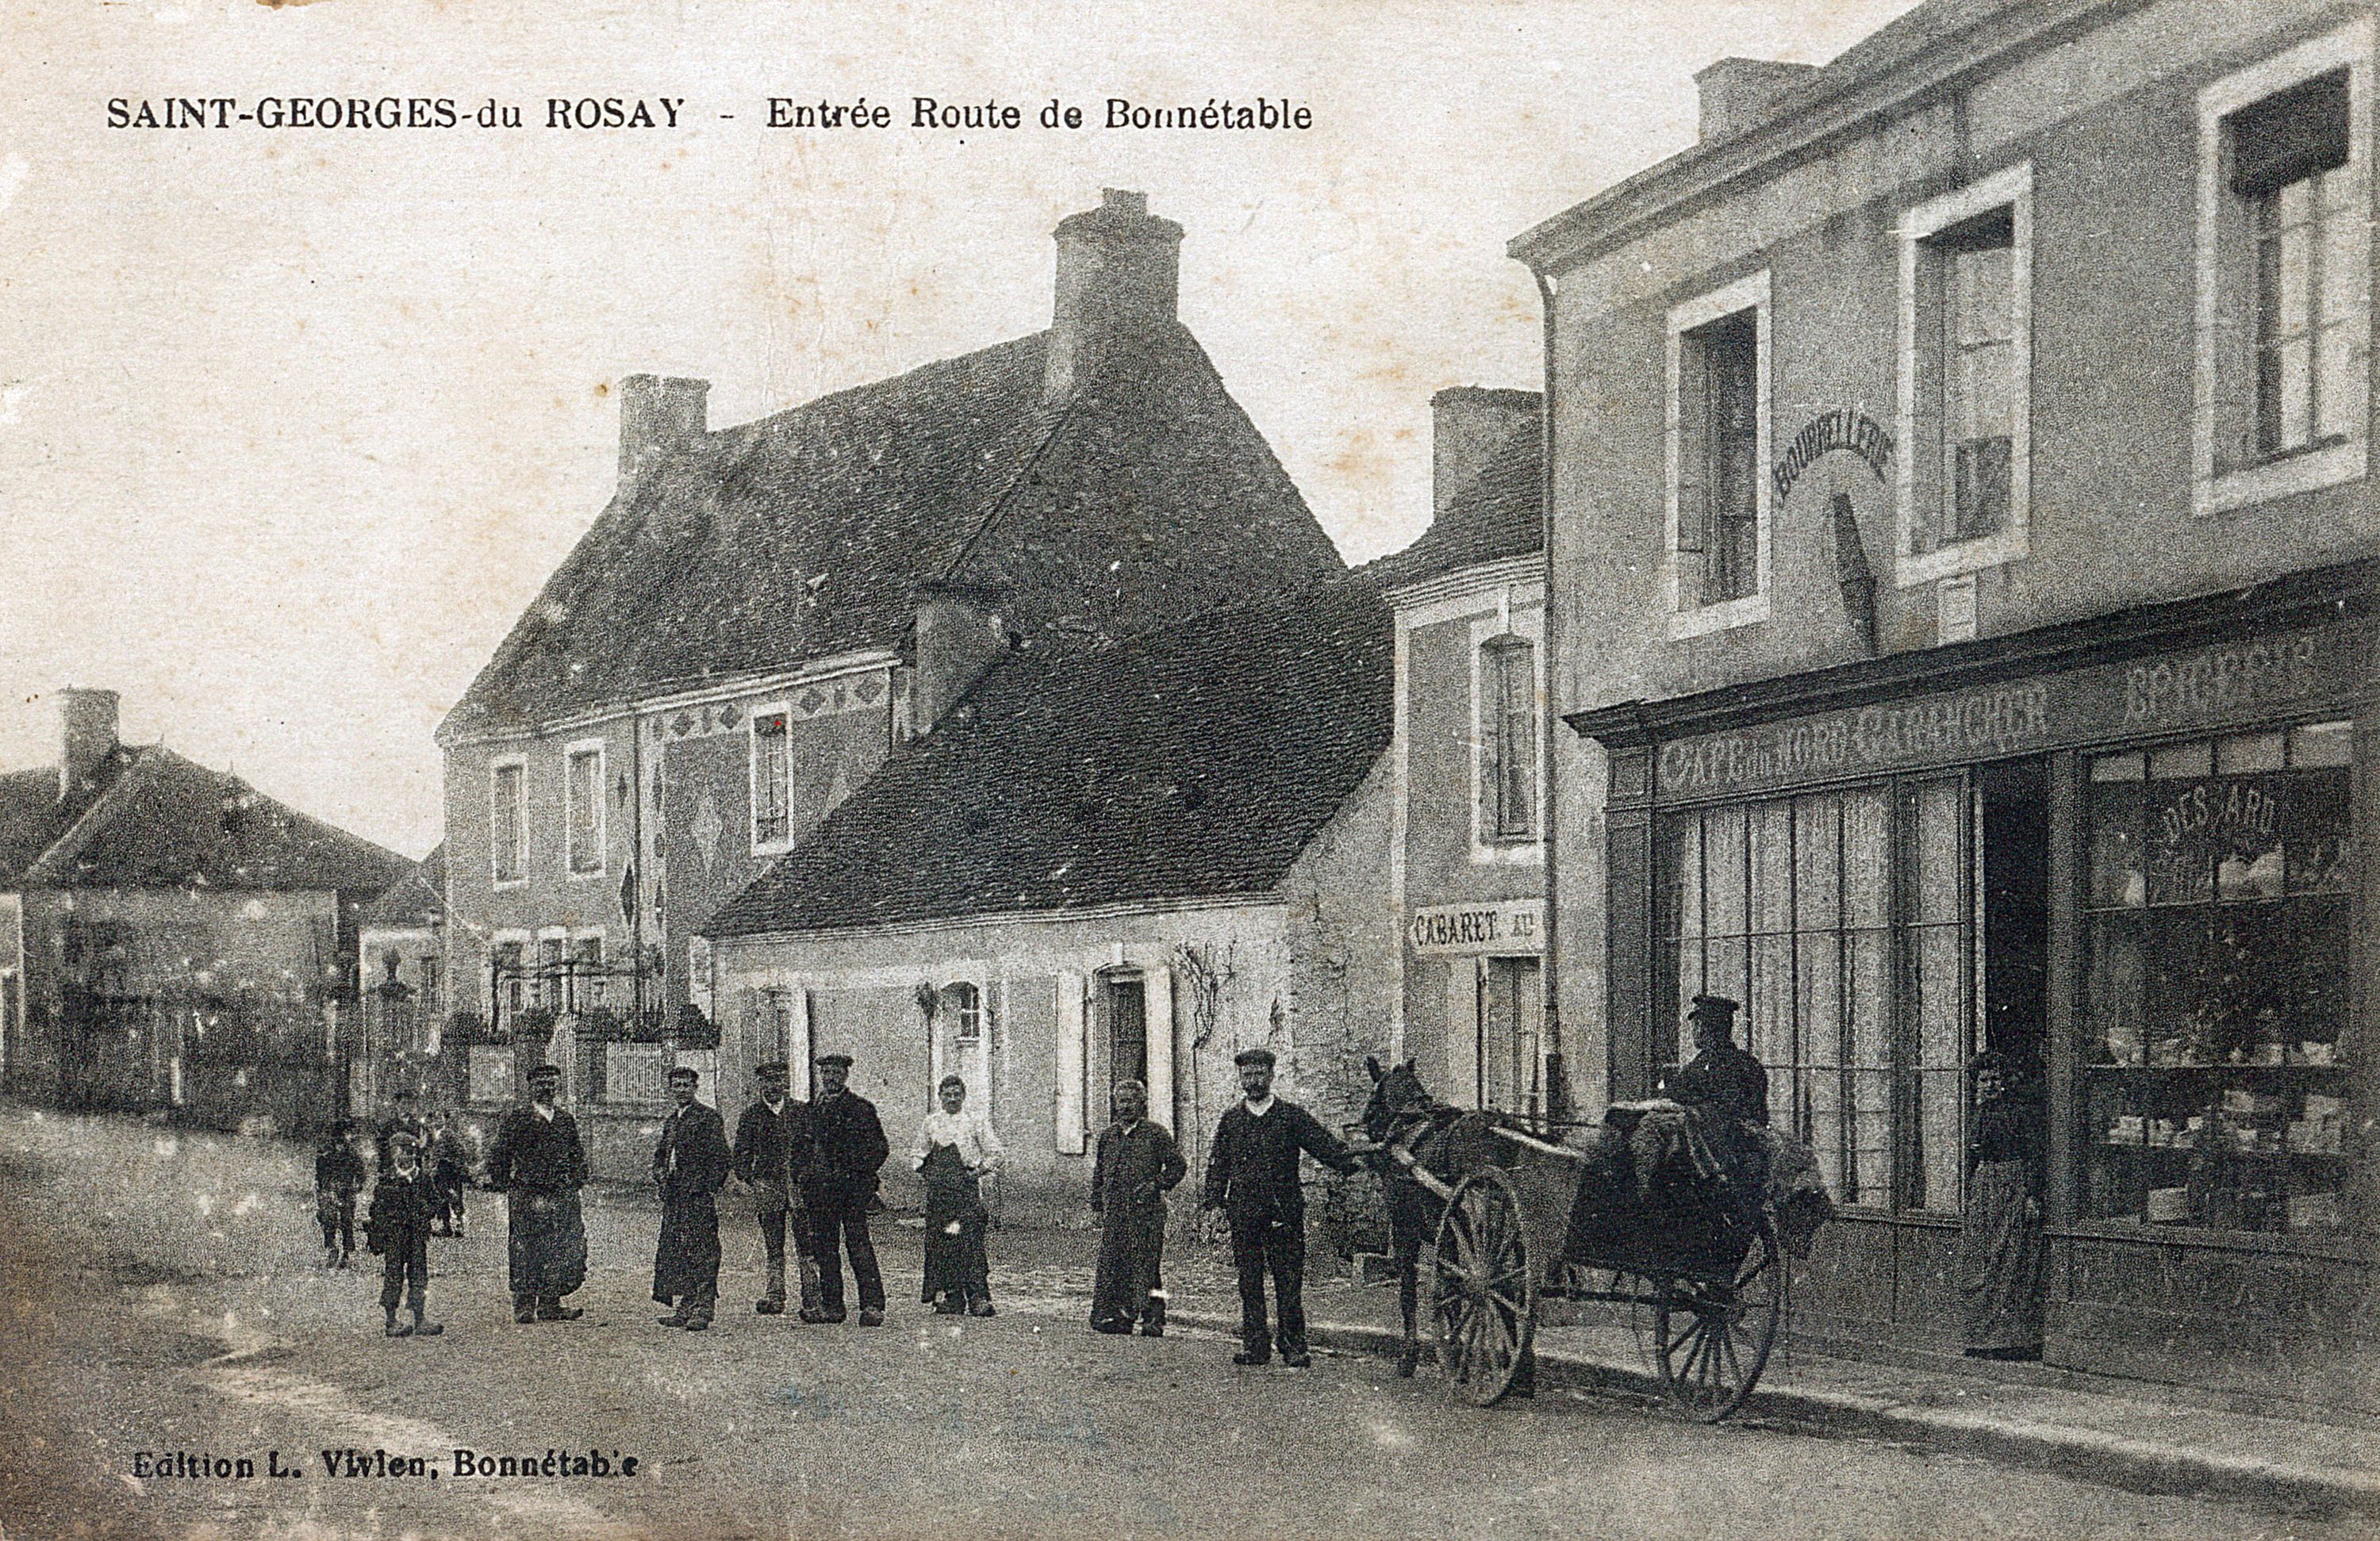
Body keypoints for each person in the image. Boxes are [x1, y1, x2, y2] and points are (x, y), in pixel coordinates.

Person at [1200, 1047, 1361, 1368]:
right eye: (1247, 1075)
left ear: (1271, 1076)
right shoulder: (1231, 1120)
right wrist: (1214, 1203)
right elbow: (1218, 1164)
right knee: (1249, 1281)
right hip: (1244, 1213)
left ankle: (1293, 1346)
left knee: (1289, 1281)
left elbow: (1323, 1145)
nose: (1253, 1080)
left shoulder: (1291, 1116)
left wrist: (1350, 1161)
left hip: (1283, 1212)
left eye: (1259, 1074)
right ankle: (1255, 1346)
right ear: (1241, 1079)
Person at [485, 1062, 589, 1324]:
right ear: (530, 1087)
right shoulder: (518, 1118)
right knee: (526, 1247)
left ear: (557, 1087)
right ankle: (524, 1305)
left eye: (551, 1083)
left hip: (560, 1194)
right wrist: (506, 1184)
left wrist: (575, 1181)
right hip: (528, 1194)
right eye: (540, 1083)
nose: (546, 1088)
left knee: (558, 1247)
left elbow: (577, 1156)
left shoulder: (565, 1120)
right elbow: (499, 1155)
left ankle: (550, 1304)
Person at [1960, 1051, 2045, 1360]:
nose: (1989, 1085)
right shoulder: (1977, 1112)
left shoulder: (2018, 1112)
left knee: (2009, 1259)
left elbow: (2034, 1153)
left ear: (2004, 1082)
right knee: (1982, 1260)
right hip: (1986, 1190)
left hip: (2013, 1186)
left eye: (1995, 1078)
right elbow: (1972, 1155)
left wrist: (2032, 1194)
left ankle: (2008, 1339)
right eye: (1983, 1080)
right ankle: (1982, 1336)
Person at [1088, 1079, 1186, 1337]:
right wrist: (1097, 1204)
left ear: (1142, 1104)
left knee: (1148, 1266)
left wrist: (1156, 1185)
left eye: (1131, 1101)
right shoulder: (1108, 1137)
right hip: (1116, 1213)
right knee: (1117, 1265)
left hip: (1147, 1213)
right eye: (1121, 1101)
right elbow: (1100, 1172)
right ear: (1115, 1105)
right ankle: (1120, 1317)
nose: (1126, 1107)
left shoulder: (1156, 1134)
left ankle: (1154, 1319)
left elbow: (1178, 1167)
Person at [802, 1052, 889, 1325]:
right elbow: (801, 1151)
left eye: (836, 1074)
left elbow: (879, 1149)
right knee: (825, 1249)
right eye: (827, 1074)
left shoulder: (861, 1109)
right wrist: (806, 1177)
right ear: (821, 1076)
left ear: (846, 1076)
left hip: (851, 1191)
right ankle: (832, 1306)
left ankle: (873, 1305)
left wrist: (858, 1176)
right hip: (820, 1192)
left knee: (859, 1246)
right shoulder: (811, 1111)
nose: (831, 1079)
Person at [732, 1060, 821, 1318]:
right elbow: (741, 1154)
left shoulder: (801, 1112)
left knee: (806, 1242)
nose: (773, 1086)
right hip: (768, 1186)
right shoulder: (751, 1116)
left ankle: (812, 1297)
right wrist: (751, 1179)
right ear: (760, 1084)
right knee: (773, 1242)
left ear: (786, 1083)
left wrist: (807, 1177)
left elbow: (814, 1149)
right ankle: (775, 1295)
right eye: (768, 1081)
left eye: (778, 1080)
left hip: (798, 1187)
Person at [912, 1074, 1004, 1317]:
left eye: (957, 1094)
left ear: (963, 1096)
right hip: (940, 1196)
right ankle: (952, 1298)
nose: (952, 1099)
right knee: (943, 1244)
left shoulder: (975, 1122)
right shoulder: (931, 1123)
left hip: (966, 1192)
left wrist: (978, 1172)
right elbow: (917, 1155)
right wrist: (928, 1173)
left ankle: (978, 1298)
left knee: (970, 1243)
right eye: (947, 1094)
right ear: (940, 1097)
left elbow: (996, 1153)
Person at [652, 1065, 733, 1331]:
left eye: (686, 1085)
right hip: (676, 1195)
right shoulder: (672, 1120)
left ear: (696, 1088)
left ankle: (704, 1308)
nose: (682, 1090)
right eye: (677, 1085)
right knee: (680, 1249)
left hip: (696, 1195)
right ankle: (685, 1307)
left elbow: (721, 1158)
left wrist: (706, 1187)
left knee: (704, 1250)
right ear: (670, 1089)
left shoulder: (707, 1117)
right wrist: (661, 1174)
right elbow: (662, 1154)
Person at [365, 1132, 443, 1339]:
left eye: (409, 1152)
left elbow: (435, 1203)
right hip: (395, 1236)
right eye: (400, 1152)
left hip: (417, 1235)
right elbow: (376, 1210)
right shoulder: (387, 1179)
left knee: (419, 1276)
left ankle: (420, 1319)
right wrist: (380, 1232)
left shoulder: (423, 1178)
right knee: (393, 1276)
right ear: (393, 1155)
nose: (405, 1157)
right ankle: (391, 1321)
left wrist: (425, 1210)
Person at [1668, 994, 1769, 1130]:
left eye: (1701, 1025)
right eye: (1696, 1026)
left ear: (1716, 1028)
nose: (1696, 1032)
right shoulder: (1700, 1063)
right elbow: (1674, 1094)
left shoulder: (1740, 1066)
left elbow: (1731, 1112)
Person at [314, 1120, 367, 1270]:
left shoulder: (352, 1154)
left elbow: (360, 1172)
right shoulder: (327, 1153)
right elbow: (320, 1173)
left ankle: (347, 1251)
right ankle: (331, 1247)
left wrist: (359, 1183)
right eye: (348, 1133)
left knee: (347, 1221)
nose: (351, 1137)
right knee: (329, 1220)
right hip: (330, 1189)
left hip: (347, 1189)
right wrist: (323, 1190)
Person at [428, 1110, 470, 1237]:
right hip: (445, 1171)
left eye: (440, 1118)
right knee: (446, 1197)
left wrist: (450, 1162)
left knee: (450, 1196)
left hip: (447, 1170)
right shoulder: (439, 1134)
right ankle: (450, 1227)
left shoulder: (447, 1134)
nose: (437, 1121)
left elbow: (461, 1151)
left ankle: (455, 1226)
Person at [374, 1087, 429, 1177]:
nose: (407, 1107)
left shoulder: (420, 1127)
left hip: (414, 1172)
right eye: (404, 1103)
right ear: (397, 1105)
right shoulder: (387, 1127)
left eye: (411, 1104)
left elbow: (425, 1149)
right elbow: (381, 1149)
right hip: (393, 1171)